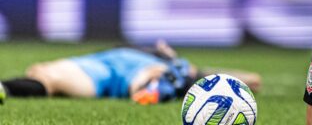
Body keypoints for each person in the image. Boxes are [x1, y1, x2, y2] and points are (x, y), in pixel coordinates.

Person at [0, 41, 261, 105]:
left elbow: (253, 79)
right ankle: (5, 87)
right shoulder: (146, 48)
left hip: (115, 78)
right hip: (98, 64)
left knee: (164, 72)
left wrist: (181, 65)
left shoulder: (180, 66)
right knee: (45, 74)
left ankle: (154, 87)